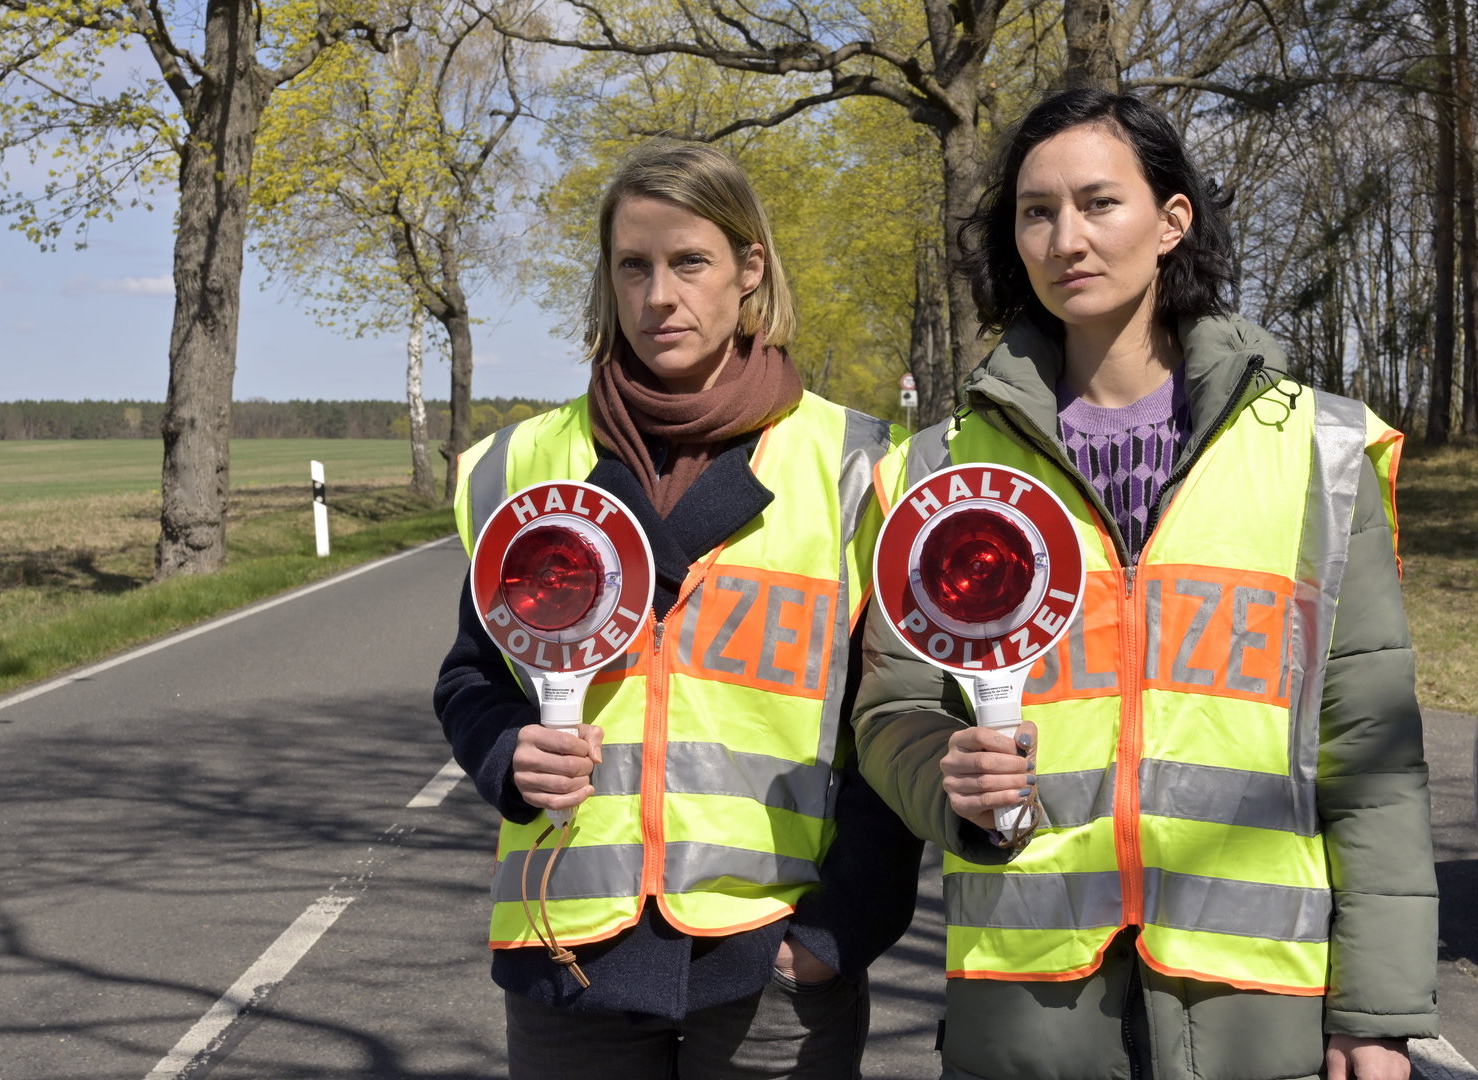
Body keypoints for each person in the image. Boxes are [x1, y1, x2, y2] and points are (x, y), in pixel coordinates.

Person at [853, 89, 1438, 1080]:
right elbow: (893, 711)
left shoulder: (1318, 451)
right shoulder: (938, 471)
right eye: (1036, 212)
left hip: (1255, 1007)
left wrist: (1376, 1011)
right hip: (1027, 1001)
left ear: (1173, 221)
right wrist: (941, 774)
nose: (1065, 237)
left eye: (1098, 203)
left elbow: (1369, 753)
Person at [433, 140, 922, 1079]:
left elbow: (889, 716)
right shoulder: (531, 463)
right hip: (567, 953)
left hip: (774, 959)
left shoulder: (856, 466)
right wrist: (506, 751)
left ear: (749, 268)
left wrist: (842, 926)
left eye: (689, 262)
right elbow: (471, 676)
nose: (660, 295)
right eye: (634, 266)